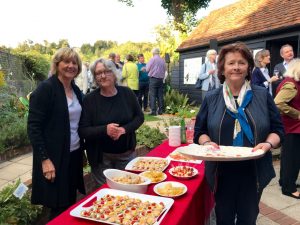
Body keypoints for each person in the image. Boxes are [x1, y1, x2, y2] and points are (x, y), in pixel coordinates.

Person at [194, 42, 284, 225]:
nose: (236, 67)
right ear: (222, 68)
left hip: (253, 171)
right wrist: (206, 143)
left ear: (249, 67)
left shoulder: (261, 95)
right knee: (223, 218)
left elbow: (278, 129)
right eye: (231, 63)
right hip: (221, 172)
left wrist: (267, 144)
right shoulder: (212, 98)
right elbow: (200, 131)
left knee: (248, 218)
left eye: (241, 62)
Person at [27, 47, 85, 220]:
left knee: (69, 201)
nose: (71, 66)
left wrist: (81, 151)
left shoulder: (75, 91)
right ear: (57, 64)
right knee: (55, 205)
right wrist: (44, 160)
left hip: (73, 154)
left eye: (74, 63)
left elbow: (76, 125)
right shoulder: (46, 89)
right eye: (66, 62)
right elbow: (33, 127)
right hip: (53, 158)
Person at [79, 58, 144, 186]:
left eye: (106, 71)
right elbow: (83, 130)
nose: (102, 76)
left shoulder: (127, 93)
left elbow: (139, 117)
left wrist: (123, 130)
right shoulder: (89, 100)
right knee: (105, 194)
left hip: (126, 155)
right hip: (101, 158)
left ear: (114, 73)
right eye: (98, 73)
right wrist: (105, 130)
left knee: (128, 191)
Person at [274, 59, 300, 199]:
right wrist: (298, 114)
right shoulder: (291, 84)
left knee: (288, 157)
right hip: (293, 127)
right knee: (293, 158)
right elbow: (278, 103)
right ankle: (288, 188)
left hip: (291, 127)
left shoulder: (291, 82)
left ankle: (284, 181)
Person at [146, 47, 166, 115]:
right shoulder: (162, 60)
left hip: (153, 79)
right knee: (160, 95)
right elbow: (164, 69)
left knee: (153, 95)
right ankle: (161, 111)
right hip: (160, 79)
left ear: (153, 53)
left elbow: (147, 69)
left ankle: (153, 111)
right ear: (158, 53)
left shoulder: (152, 59)